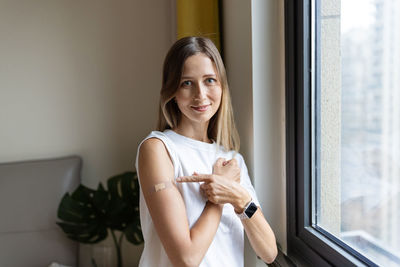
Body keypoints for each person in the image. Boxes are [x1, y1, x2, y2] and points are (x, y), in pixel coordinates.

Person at [135, 36, 277, 267]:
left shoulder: (232, 161)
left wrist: (240, 198)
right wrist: (219, 197)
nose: (200, 94)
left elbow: (269, 252)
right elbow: (186, 259)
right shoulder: (158, 149)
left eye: (209, 80)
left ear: (221, 85)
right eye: (187, 83)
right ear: (172, 90)